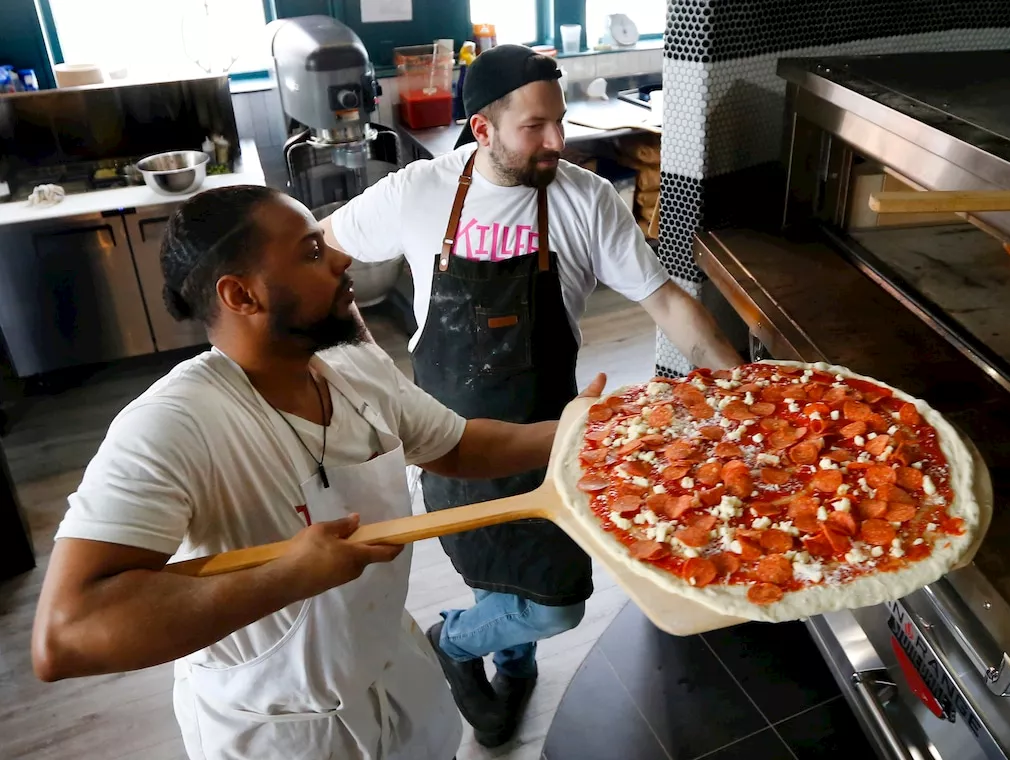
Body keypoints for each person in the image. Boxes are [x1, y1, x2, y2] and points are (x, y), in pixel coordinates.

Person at [30, 185, 605, 760]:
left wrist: (586, 433)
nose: (341, 257)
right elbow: (66, 633)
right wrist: (289, 575)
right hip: (280, 733)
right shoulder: (172, 424)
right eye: (310, 252)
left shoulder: (352, 370)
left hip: (395, 681)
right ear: (241, 294)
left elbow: (457, 445)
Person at [320, 44, 742, 745]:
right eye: (536, 127)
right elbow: (323, 252)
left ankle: (451, 642)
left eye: (561, 121)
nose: (558, 141)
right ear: (483, 130)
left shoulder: (586, 200)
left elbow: (667, 305)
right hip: (452, 444)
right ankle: (510, 663)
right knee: (498, 584)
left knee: (555, 608)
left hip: (551, 441)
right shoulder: (419, 192)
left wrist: (740, 387)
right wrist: (370, 365)